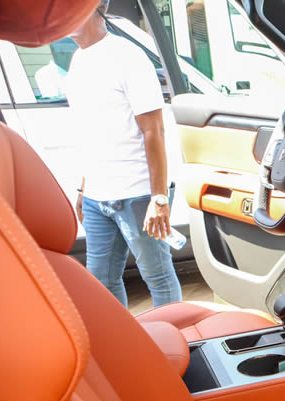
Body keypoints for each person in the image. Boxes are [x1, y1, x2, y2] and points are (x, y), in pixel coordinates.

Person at [66, 0, 182, 308]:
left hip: (138, 194)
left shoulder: (127, 56)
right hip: (97, 197)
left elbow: (154, 131)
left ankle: (176, 335)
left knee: (157, 275)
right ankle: (119, 338)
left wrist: (159, 198)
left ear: (94, 7)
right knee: (102, 282)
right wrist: (84, 188)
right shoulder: (77, 61)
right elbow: (90, 133)